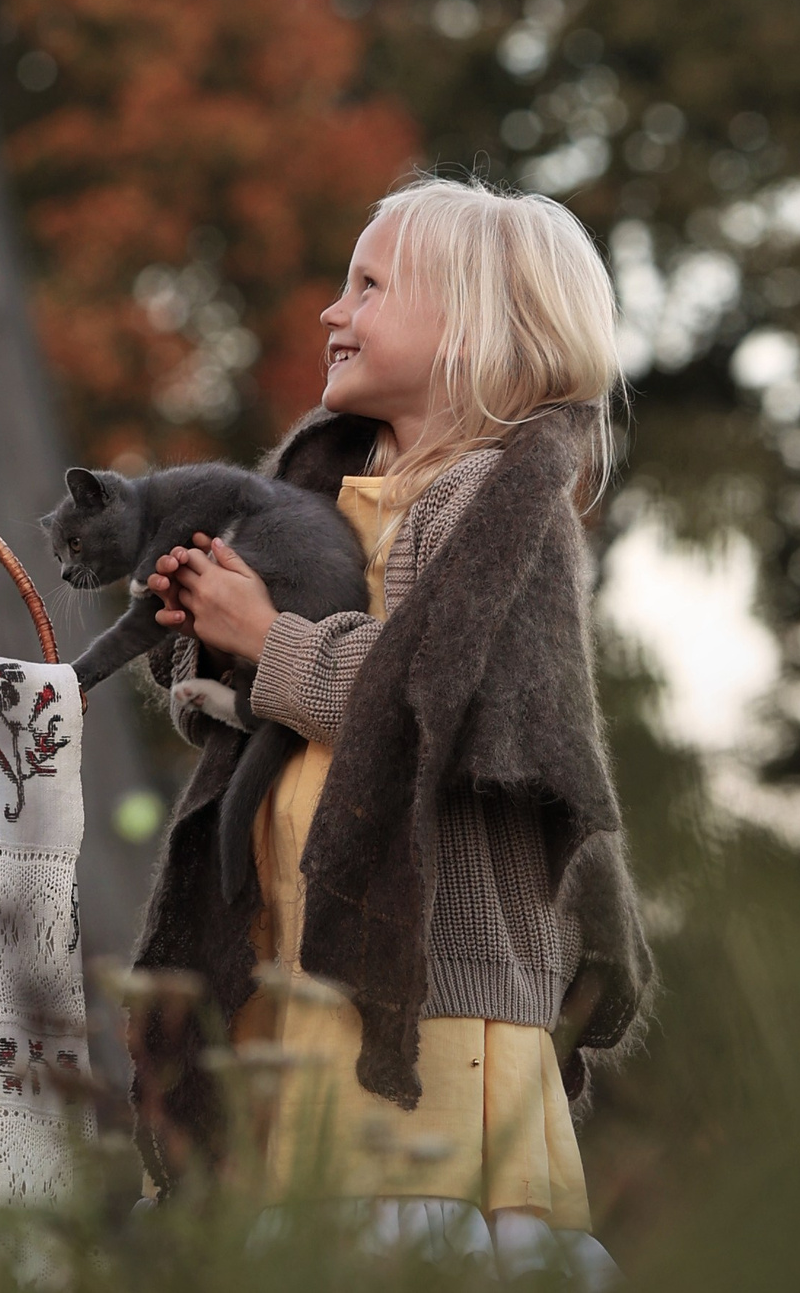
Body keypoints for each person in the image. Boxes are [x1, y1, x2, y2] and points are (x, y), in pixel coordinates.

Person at [132, 174, 652, 1283]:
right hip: (302, 982)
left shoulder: (502, 514)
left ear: (471, 326)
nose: (333, 311)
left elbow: (438, 701)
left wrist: (266, 638)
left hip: (427, 1008)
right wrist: (217, 642)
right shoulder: (332, 504)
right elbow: (300, 714)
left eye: (368, 285)